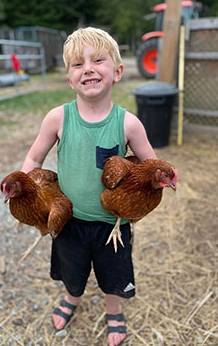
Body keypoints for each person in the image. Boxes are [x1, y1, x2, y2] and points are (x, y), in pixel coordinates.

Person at [21, 27, 157, 346]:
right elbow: (33, 157)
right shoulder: (58, 118)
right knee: (72, 267)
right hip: (69, 219)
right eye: (78, 64)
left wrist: (146, 192)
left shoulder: (128, 123)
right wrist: (24, 191)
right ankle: (72, 298)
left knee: (114, 271)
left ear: (118, 71)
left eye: (98, 60)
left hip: (113, 223)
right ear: (70, 78)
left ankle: (114, 309)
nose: (89, 69)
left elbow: (152, 166)